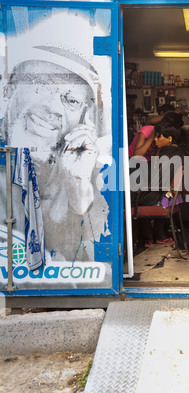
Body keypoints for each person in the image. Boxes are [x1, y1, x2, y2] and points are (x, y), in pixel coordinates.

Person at [1, 51, 110, 265]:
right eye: (41, 85)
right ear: (9, 90)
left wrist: (76, 185)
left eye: (71, 100)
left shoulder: (86, 172)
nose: (53, 107)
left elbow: (89, 264)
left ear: (83, 119)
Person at [131, 113, 187, 246]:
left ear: (169, 139)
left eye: (158, 137)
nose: (155, 140)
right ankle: (153, 236)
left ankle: (146, 237)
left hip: (157, 195)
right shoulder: (174, 152)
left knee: (126, 198)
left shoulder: (168, 156)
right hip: (167, 196)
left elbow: (156, 182)